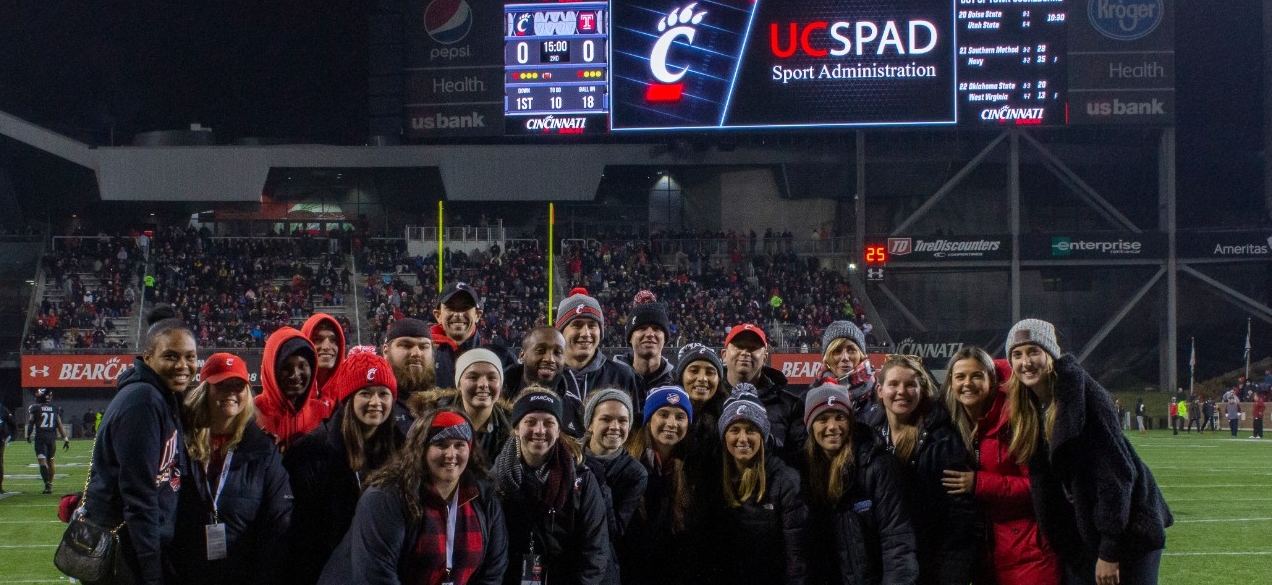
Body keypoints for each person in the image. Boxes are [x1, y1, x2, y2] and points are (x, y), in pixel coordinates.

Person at [1005, 318, 1172, 585]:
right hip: (1086, 533)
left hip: (1128, 531)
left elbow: (1115, 475)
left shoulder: (1083, 397)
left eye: (1033, 351)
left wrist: (1109, 550)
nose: (1025, 362)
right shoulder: (1031, 406)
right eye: (1017, 354)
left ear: (1050, 354)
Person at [318, 409, 509, 585]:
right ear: (421, 449)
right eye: (441, 445)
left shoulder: (484, 498)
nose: (451, 454)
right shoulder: (385, 497)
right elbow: (377, 576)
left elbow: (492, 573)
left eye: (459, 445)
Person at [82, 305, 195, 584]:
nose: (182, 365)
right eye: (170, 356)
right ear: (148, 357)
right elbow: (139, 495)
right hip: (125, 551)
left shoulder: (163, 396)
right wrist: (152, 572)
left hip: (136, 544)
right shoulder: (143, 401)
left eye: (190, 357)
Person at [939, 347, 1059, 585]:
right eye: (960, 377)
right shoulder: (951, 425)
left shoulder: (1016, 420)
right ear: (950, 383)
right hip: (989, 553)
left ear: (991, 381)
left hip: (1030, 551)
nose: (968, 383)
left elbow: (1036, 486)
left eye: (977, 376)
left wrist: (979, 482)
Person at [284, 350, 405, 585]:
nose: (375, 402)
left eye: (383, 394)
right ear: (349, 398)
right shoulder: (311, 451)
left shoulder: (403, 450)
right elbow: (302, 536)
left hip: (382, 572)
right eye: (365, 393)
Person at [172, 353, 292, 585]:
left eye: (238, 386)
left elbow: (278, 520)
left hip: (243, 573)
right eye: (221, 385)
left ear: (247, 393)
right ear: (205, 390)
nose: (231, 392)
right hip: (185, 572)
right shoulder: (181, 441)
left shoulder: (264, 449)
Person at [859, 354, 976, 585]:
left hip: (936, 561)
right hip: (891, 559)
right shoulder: (869, 438)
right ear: (880, 391)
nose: (902, 391)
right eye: (894, 384)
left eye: (910, 384)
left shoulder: (942, 439)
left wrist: (952, 570)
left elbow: (959, 513)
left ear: (921, 390)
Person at [798, 383, 918, 585]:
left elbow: (897, 541)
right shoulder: (800, 470)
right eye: (822, 419)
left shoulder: (877, 465)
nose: (832, 427)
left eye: (840, 417)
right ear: (810, 425)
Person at [491, 386, 610, 585]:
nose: (539, 430)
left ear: (558, 429)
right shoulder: (496, 480)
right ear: (516, 428)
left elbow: (595, 548)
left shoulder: (581, 478)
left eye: (548, 422)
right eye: (530, 422)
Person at [704, 385, 807, 585]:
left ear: (763, 435)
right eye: (734, 430)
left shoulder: (785, 481)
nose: (743, 439)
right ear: (724, 435)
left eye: (751, 430)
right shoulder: (713, 477)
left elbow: (796, 559)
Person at [622, 385, 698, 585]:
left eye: (680, 417)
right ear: (648, 420)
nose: (671, 423)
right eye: (663, 414)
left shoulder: (691, 466)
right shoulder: (627, 463)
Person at [581, 388, 647, 584]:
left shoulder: (635, 473)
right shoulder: (569, 456)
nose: (615, 427)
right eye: (606, 419)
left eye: (622, 421)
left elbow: (614, 530)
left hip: (601, 569)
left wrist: (599, 482)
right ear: (590, 425)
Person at [411, 348, 513, 464]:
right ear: (458, 384)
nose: (483, 384)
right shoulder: (429, 420)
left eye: (492, 378)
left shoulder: (513, 426)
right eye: (473, 377)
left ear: (501, 384)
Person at [721, 323, 804, 462]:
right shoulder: (710, 398)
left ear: (765, 357)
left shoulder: (790, 405)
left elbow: (797, 459)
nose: (745, 352)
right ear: (724, 354)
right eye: (739, 346)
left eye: (753, 348)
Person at [555, 288, 640, 424]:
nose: (585, 333)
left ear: (600, 332)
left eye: (592, 325)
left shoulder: (621, 375)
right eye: (577, 325)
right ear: (561, 331)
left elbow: (633, 433)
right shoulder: (548, 375)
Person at [254, 326, 331, 449]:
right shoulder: (251, 413)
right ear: (271, 368)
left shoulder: (322, 413)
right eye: (286, 367)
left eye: (302, 366)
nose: (295, 375)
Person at [431, 282, 513, 393]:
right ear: (438, 315)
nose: (458, 314)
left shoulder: (501, 357)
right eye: (450, 308)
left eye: (465, 308)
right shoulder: (424, 356)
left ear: (478, 315)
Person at [504, 326, 585, 437]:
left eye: (557, 353)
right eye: (540, 351)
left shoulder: (575, 408)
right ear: (522, 355)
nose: (550, 359)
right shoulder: (496, 401)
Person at [613, 293, 676, 417]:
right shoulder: (611, 378)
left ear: (665, 339)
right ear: (630, 337)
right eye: (642, 328)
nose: (650, 334)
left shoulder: (676, 383)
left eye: (656, 329)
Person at [382, 318, 438, 435]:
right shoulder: (375, 401)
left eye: (424, 347)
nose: (416, 353)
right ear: (386, 351)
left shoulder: (442, 401)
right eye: (406, 345)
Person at [815, 320, 878, 419]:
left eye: (851, 350)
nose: (845, 357)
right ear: (826, 357)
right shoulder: (809, 400)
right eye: (837, 351)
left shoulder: (882, 399)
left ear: (861, 355)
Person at [26, 388, 70, 494]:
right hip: (51, 438)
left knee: (42, 462)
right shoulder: (54, 408)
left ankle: (46, 485)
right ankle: (50, 484)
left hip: (40, 437)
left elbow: (31, 422)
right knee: (51, 462)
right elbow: (59, 424)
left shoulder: (35, 408)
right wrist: (65, 438)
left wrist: (28, 435)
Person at [301, 312, 347, 403]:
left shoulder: (350, 392)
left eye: (334, 340)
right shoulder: (291, 394)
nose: (326, 347)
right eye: (318, 340)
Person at [0, 402, 15, 493]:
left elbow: (12, 423)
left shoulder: (3, 410)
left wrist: (11, 436)